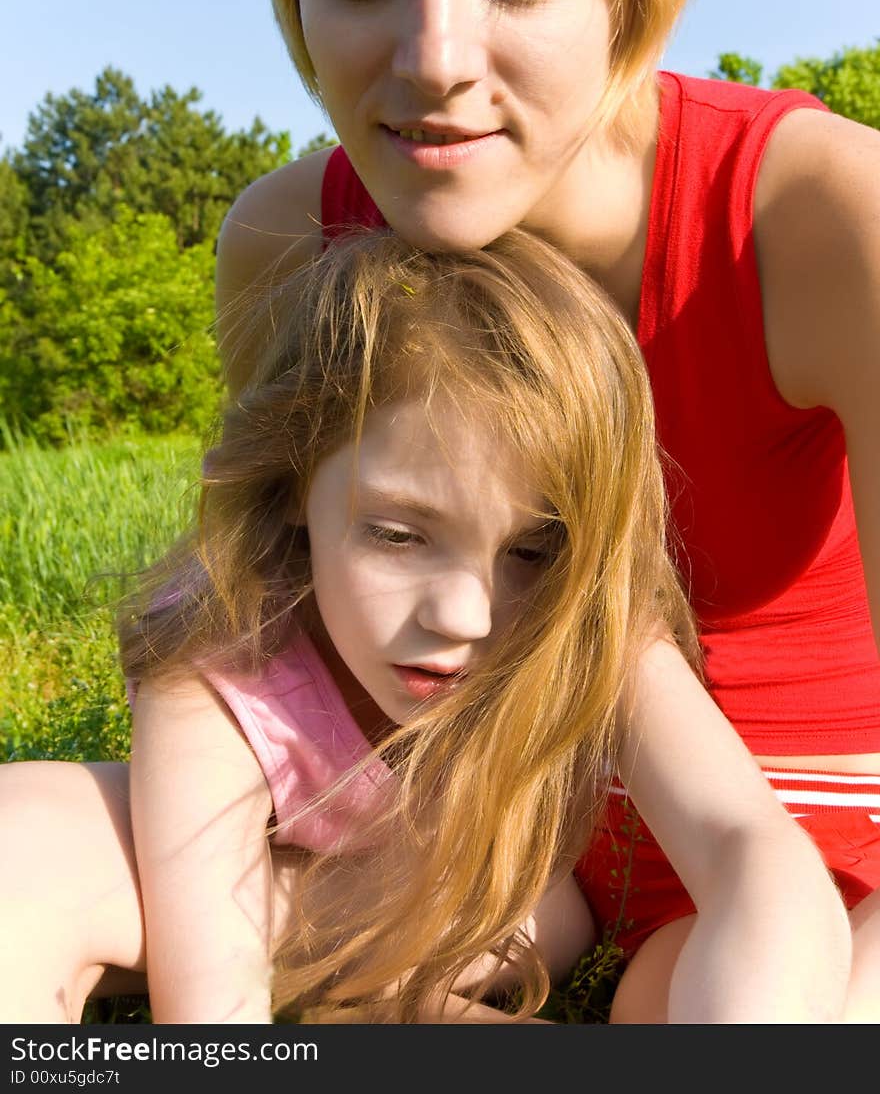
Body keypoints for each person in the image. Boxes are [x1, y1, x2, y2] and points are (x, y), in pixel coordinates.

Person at [0, 0, 876, 1024]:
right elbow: (250, 626)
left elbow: (761, 865)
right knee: (21, 843)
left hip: (816, 843)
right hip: (472, 836)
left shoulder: (828, 212)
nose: (434, 56)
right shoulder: (286, 240)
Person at [1, 228, 851, 1024]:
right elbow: (211, 1002)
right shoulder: (222, 657)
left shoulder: (582, 613)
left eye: (531, 549)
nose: (464, 614)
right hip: (292, 900)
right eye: (399, 535)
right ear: (295, 479)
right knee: (25, 827)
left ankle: (392, 1003)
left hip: (507, 916)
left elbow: (749, 844)